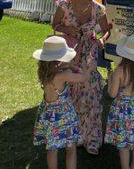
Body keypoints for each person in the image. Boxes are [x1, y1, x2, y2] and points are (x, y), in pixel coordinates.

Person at [51, 0, 111, 155]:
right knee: (71, 96)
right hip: (68, 55)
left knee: (91, 98)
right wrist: (66, 28)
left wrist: (102, 40)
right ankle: (74, 136)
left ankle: (92, 139)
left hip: (89, 56)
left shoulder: (99, 9)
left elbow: (107, 31)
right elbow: (54, 25)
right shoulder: (64, 5)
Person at [33, 36, 90, 169]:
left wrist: (68, 66)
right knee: (70, 148)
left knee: (52, 149)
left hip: (48, 115)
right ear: (60, 59)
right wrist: (85, 66)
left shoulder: (45, 73)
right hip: (63, 116)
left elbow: (62, 70)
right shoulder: (63, 75)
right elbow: (83, 77)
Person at [105, 35, 134, 169]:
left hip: (122, 110)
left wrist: (109, 82)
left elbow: (112, 93)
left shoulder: (119, 70)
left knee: (124, 144)